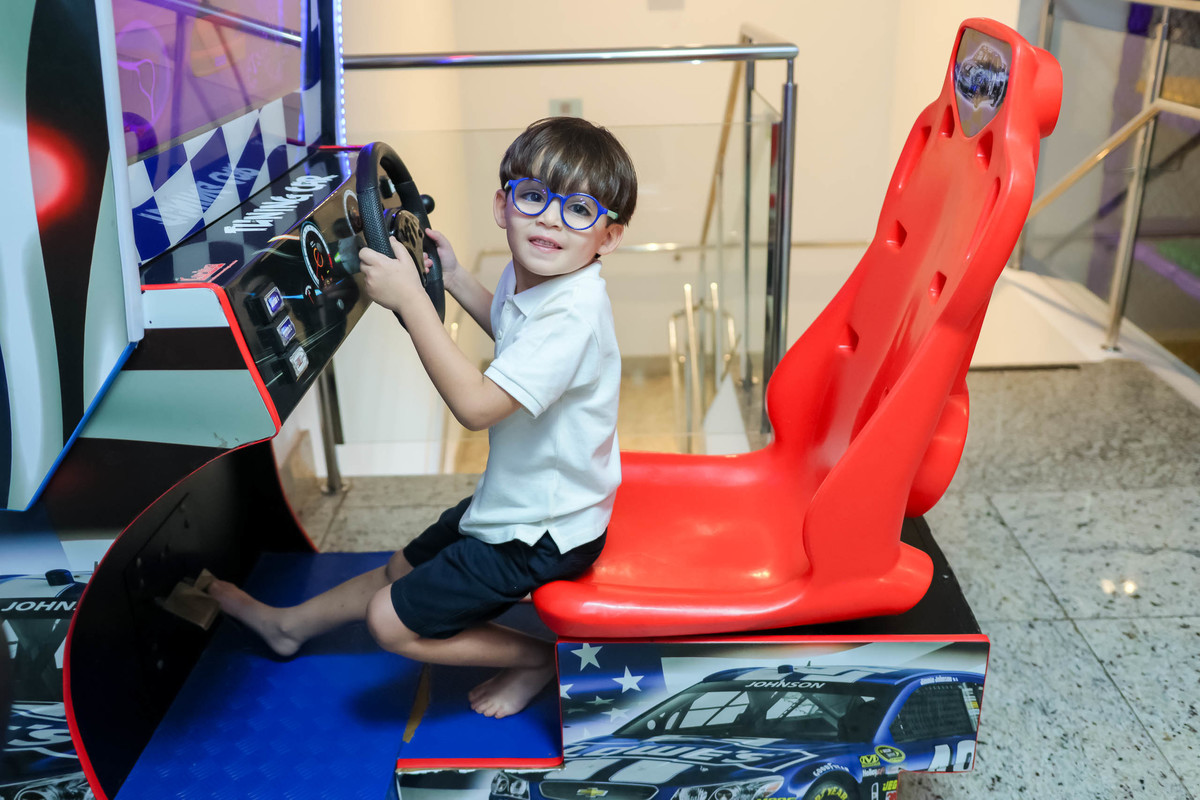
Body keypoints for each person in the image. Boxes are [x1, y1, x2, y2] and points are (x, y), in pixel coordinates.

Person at [206, 117, 637, 719]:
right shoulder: (539, 274)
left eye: (579, 210)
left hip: (544, 532)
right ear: (503, 205)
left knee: (388, 622)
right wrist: (452, 277)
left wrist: (413, 299)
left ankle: (538, 660)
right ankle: (288, 626)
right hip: (514, 501)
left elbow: (477, 407)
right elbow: (511, 333)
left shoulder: (573, 316)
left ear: (608, 238)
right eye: (534, 197)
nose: (549, 221)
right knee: (399, 568)